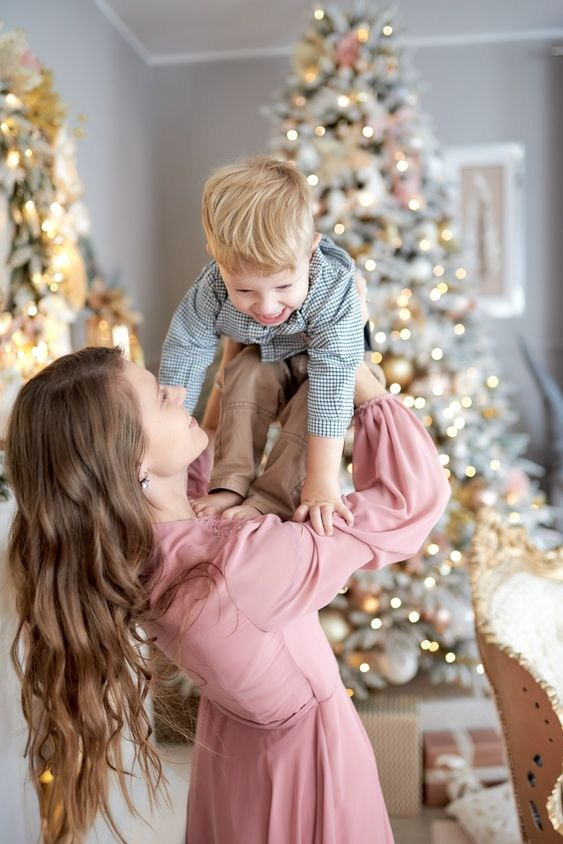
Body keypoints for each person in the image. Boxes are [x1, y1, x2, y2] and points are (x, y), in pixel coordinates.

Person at [6, 346, 450, 843]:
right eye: (161, 398)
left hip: (237, 765)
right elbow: (409, 500)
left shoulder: (133, 549)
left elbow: (211, 453)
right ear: (132, 461)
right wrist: (353, 371)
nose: (177, 397)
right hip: (306, 773)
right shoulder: (235, 566)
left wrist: (232, 365)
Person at [160, 155, 368, 535]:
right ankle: (231, 485)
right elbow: (186, 348)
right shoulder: (212, 287)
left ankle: (271, 498)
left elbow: (335, 380)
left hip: (333, 377)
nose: (268, 306)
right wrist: (167, 427)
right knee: (242, 370)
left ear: (310, 250)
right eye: (245, 290)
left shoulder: (333, 287)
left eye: (284, 287)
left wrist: (322, 483)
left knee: (313, 398)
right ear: (217, 261)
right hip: (268, 361)